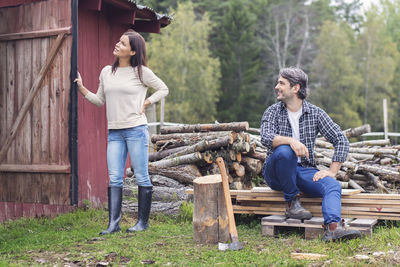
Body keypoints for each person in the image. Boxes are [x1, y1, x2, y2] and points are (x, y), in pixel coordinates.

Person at [74, 29, 169, 235]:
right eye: (119, 41)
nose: (117, 44)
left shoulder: (141, 72)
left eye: (123, 43)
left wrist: (147, 101)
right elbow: (100, 101)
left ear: (133, 52)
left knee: (142, 176)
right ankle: (113, 224)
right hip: (115, 132)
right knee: (115, 177)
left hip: (136, 130)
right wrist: (82, 89)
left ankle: (142, 223)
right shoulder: (107, 71)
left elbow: (163, 88)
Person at [260, 67, 361, 242]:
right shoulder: (272, 111)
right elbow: (266, 137)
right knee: (285, 151)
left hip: (302, 170)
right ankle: (292, 202)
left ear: (295, 88)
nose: (277, 86)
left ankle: (333, 228)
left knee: (332, 185)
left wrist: (332, 171)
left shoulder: (315, 113)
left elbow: (341, 140)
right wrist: (291, 141)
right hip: (276, 172)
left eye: (281, 83)